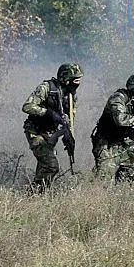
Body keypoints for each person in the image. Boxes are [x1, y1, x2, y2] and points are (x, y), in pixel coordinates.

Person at [22, 63, 82, 191]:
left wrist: (68, 136)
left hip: (50, 133)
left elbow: (69, 119)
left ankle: (38, 196)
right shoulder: (47, 88)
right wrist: (48, 113)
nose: (78, 84)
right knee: (51, 166)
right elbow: (27, 106)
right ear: (65, 79)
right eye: (75, 80)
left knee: (44, 166)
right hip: (36, 131)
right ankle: (32, 193)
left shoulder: (71, 96)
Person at [91, 73, 134, 185]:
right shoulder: (118, 98)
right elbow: (121, 120)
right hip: (108, 145)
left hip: (124, 145)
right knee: (104, 182)